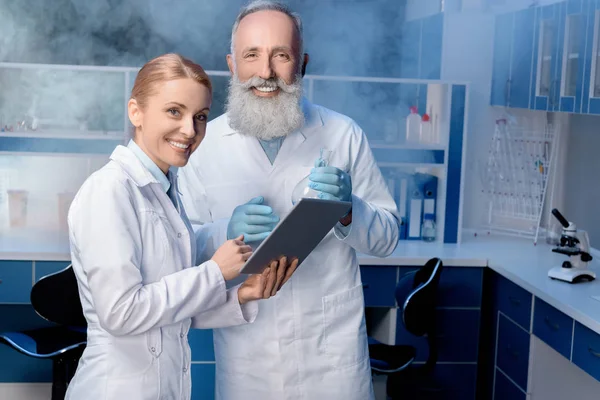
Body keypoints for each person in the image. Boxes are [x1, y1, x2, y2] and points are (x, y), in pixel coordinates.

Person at [178, 2, 401, 399]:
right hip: (250, 357)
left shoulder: (342, 134)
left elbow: (386, 238)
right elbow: (182, 250)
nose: (266, 73)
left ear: (302, 64)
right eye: (252, 55)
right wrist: (222, 232)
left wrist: (351, 210)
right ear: (232, 64)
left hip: (331, 357)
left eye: (281, 55)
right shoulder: (203, 146)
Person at [65, 53, 298, 400]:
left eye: (200, 117)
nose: (190, 130)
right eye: (174, 111)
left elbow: (171, 315)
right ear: (136, 112)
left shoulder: (165, 188)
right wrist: (216, 272)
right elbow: (121, 313)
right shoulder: (110, 190)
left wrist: (243, 293)